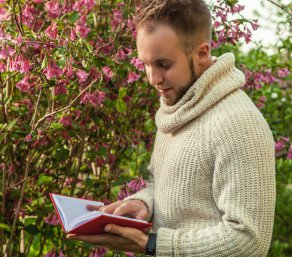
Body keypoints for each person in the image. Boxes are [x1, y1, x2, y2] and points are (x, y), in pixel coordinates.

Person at [68, 0, 276, 256]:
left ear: (201, 53)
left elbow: (248, 241)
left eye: (164, 65)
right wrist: (144, 202)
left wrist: (152, 245)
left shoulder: (238, 125)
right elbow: (176, 188)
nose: (153, 79)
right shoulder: (178, 107)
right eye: (146, 64)